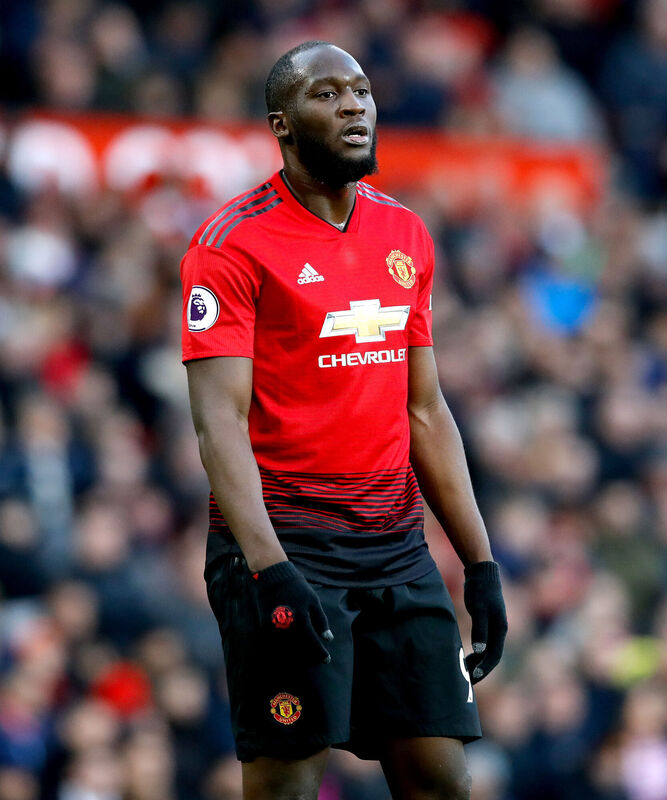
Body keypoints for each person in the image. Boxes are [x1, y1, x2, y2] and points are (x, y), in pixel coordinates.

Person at [181, 40, 507, 800]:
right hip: (285, 546)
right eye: (325, 95)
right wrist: (268, 569)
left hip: (395, 550)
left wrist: (480, 563)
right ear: (282, 124)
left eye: (359, 90)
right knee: (287, 782)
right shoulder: (231, 244)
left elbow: (425, 410)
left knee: (440, 776)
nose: (353, 105)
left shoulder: (405, 235)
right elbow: (217, 425)